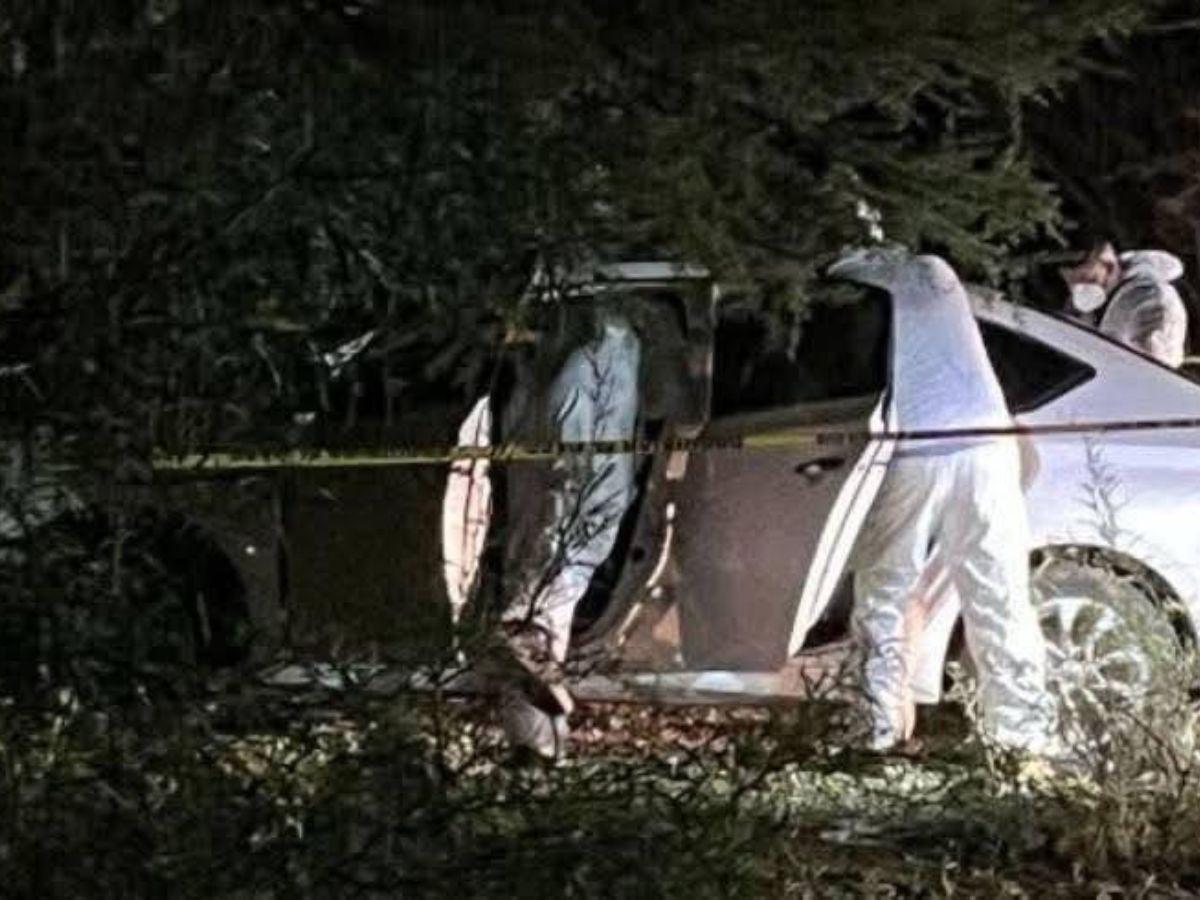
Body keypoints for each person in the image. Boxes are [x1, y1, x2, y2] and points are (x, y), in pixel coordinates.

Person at [827, 246, 1057, 755]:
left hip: (915, 450)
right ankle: (1025, 742)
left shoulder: (851, 284)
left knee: (885, 590)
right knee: (1000, 597)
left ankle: (876, 728)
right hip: (988, 447)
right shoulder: (935, 271)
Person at [1060, 242, 1188, 369]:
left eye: (1086, 279)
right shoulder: (1096, 306)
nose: (1078, 289)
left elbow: (1154, 369)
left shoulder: (1153, 300)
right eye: (1071, 282)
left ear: (1109, 266)